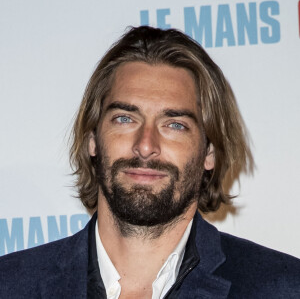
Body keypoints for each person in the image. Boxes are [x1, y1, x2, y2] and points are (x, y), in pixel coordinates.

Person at [0, 26, 299, 299]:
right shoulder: (9, 284)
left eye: (175, 125)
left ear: (210, 151)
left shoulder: (284, 287)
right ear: (92, 138)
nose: (145, 145)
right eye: (125, 118)